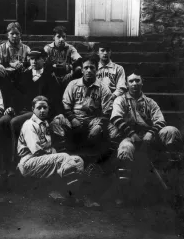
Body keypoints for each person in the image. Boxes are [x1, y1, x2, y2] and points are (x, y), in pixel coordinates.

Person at [110, 71, 183, 202]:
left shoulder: (150, 102)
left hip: (149, 136)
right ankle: (124, 192)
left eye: (137, 80)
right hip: (129, 136)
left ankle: (174, 184)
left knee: (171, 131)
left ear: (142, 83)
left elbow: (160, 120)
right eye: (131, 81)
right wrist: (132, 134)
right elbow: (116, 118)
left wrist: (150, 133)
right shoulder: (120, 100)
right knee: (125, 149)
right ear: (126, 84)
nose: (134, 83)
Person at [0, 47, 61, 173]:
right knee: (3, 121)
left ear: (44, 60)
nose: (34, 61)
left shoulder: (49, 77)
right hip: (21, 110)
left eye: (37, 59)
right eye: (31, 59)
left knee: (15, 122)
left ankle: (16, 161)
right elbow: (15, 94)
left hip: (38, 113)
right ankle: (4, 162)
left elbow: (54, 100)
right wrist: (11, 107)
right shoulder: (24, 75)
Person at [50, 54, 117, 156]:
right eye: (86, 68)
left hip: (93, 119)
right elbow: (66, 105)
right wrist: (72, 119)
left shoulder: (103, 88)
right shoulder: (73, 84)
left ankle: (105, 157)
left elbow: (107, 110)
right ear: (82, 70)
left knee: (113, 129)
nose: (89, 70)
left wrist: (99, 125)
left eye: (92, 68)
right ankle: (62, 153)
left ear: (97, 70)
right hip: (74, 117)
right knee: (56, 122)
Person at [17, 96, 84, 196]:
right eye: (39, 108)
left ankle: (73, 191)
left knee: (78, 160)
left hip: (41, 160)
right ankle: (66, 192)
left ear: (48, 109)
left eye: (45, 107)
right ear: (33, 109)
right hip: (29, 162)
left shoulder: (45, 124)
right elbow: (37, 151)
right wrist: (56, 155)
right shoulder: (29, 125)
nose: (42, 110)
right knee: (64, 157)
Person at [0, 22, 31, 107]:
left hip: (21, 77)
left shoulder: (26, 48)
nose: (15, 36)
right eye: (12, 34)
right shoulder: (0, 48)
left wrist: (24, 66)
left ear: (21, 35)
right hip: (6, 77)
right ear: (7, 35)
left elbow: (31, 63)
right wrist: (3, 67)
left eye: (17, 34)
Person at [44, 26, 82, 97]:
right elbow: (44, 62)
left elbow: (78, 59)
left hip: (67, 77)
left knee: (78, 71)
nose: (61, 39)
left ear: (66, 38)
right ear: (53, 37)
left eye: (63, 37)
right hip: (53, 76)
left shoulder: (70, 48)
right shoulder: (48, 48)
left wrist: (71, 68)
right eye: (58, 37)